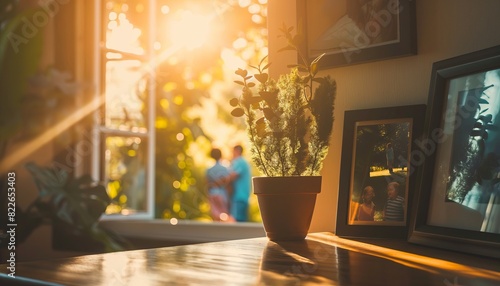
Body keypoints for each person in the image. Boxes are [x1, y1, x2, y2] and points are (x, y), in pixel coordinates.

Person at [206, 148, 232, 222]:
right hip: (222, 193)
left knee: (215, 216)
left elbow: (207, 183)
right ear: (221, 155)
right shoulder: (225, 168)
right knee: (225, 216)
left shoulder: (209, 169)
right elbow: (228, 183)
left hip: (212, 193)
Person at [228, 145, 251, 222]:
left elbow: (232, 176)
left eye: (233, 151)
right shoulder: (244, 162)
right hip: (243, 196)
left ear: (237, 151)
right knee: (241, 221)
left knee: (238, 221)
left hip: (239, 197)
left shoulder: (239, 161)